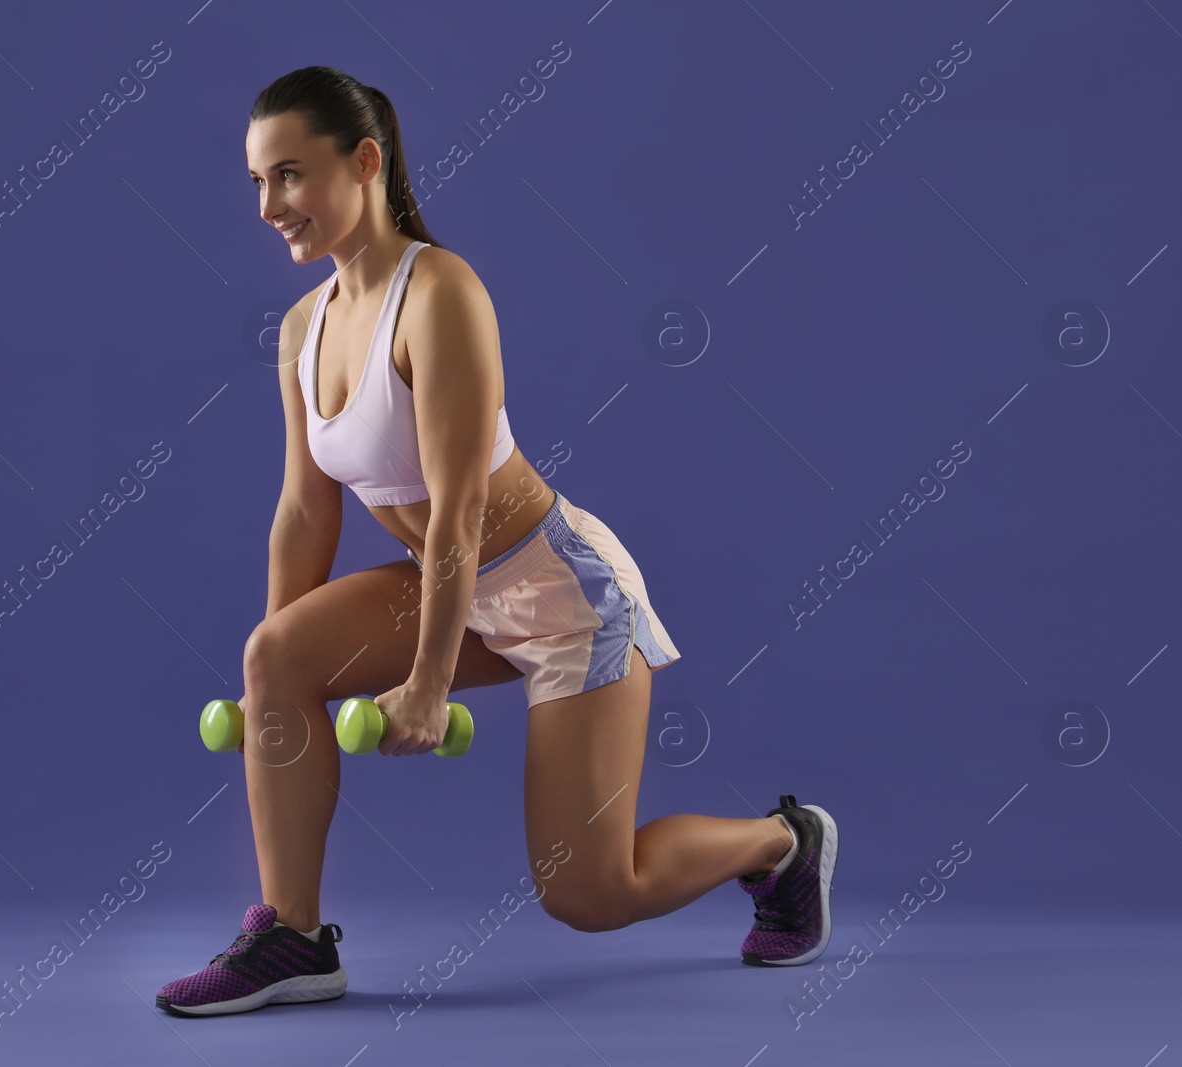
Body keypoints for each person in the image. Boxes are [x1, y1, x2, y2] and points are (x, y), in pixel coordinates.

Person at [156, 66, 838, 1018]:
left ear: (364, 163)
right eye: (259, 183)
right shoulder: (304, 326)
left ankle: (782, 843)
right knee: (272, 653)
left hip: (566, 596)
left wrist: (429, 681)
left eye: (291, 176)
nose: (271, 205)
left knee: (589, 893)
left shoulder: (440, 294)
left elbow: (460, 509)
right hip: (459, 590)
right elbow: (306, 512)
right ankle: (292, 940)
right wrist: (275, 684)